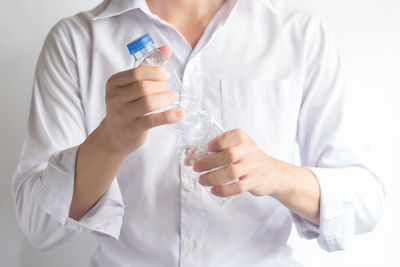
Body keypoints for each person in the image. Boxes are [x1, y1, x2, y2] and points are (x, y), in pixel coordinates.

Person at [12, 0, 385, 266]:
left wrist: (276, 174)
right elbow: (39, 227)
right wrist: (110, 141)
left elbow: (366, 202)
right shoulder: (76, 42)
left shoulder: (299, 35)